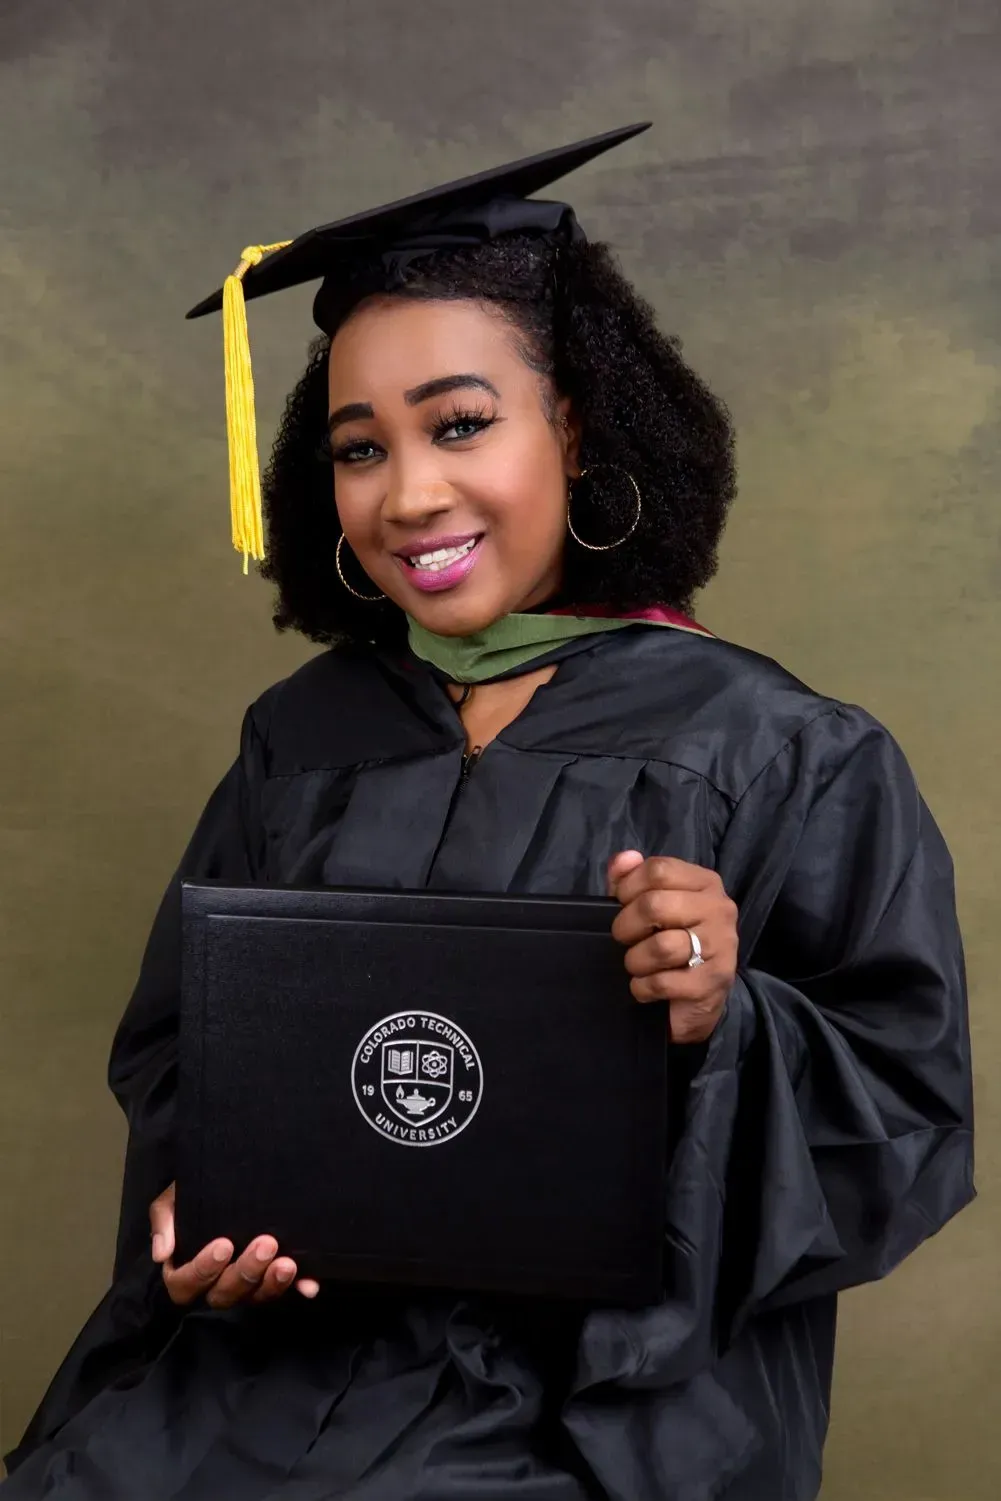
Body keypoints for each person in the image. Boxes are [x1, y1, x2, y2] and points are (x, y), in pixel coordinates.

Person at [3, 124, 974, 1501]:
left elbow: (905, 1118)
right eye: (358, 446)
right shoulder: (305, 736)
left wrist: (726, 1012)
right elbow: (186, 1056)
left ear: (574, 424)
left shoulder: (777, 751)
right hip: (266, 1384)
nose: (408, 494)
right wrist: (206, 1224)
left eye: (461, 424)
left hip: (590, 1418)